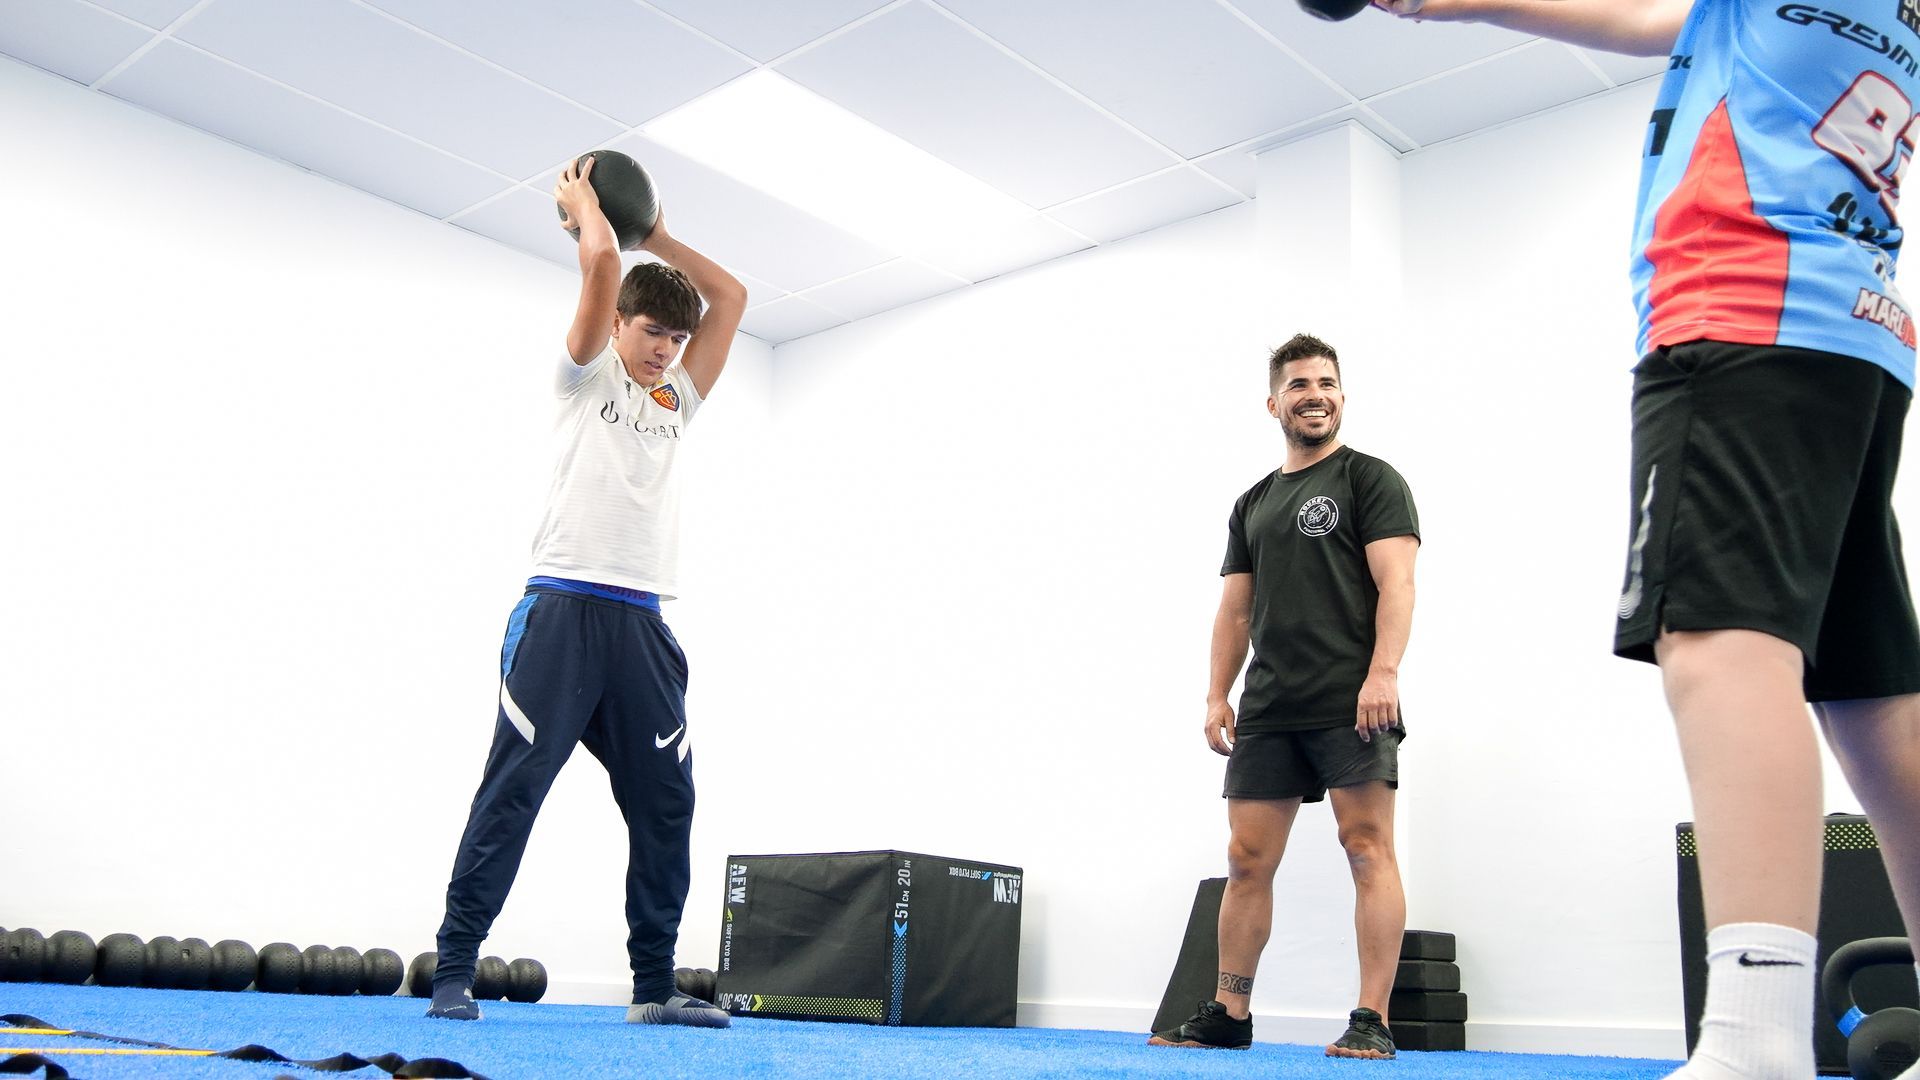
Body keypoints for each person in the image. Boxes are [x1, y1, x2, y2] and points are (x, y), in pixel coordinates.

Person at [1377, 3, 1920, 1078]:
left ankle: (1755, 1043)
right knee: (1874, 702)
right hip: (1855, 335)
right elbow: (1653, 18)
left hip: (1739, 308)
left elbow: (1637, 5)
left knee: (1722, 646)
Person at [425, 154, 747, 1026]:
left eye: (676, 341)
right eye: (651, 333)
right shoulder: (583, 378)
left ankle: (653, 990)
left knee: (666, 805)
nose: (665, 350)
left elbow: (735, 299)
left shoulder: (676, 400)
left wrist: (660, 237)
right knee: (514, 789)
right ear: (617, 329)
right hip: (562, 609)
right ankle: (454, 970)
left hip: (643, 625)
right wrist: (587, 211)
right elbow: (602, 268)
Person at [1150, 334, 1420, 1058]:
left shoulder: (1371, 480)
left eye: (1327, 383)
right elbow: (1236, 611)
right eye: (1299, 384)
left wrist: (1384, 673)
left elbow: (1398, 582)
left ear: (1342, 395)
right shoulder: (1253, 503)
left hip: (1353, 698)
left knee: (1366, 847)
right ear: (1275, 402)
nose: (1315, 395)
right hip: (1270, 705)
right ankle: (1229, 1013)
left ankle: (1373, 1019)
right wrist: (1217, 694)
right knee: (1246, 859)